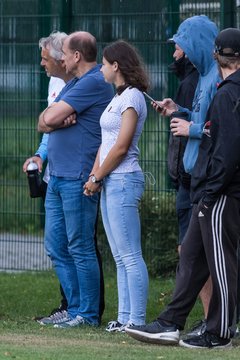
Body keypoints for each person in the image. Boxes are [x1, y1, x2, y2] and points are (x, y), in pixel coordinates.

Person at [126, 27, 240, 349]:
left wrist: (212, 191)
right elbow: (216, 132)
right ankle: (169, 323)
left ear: (217, 54)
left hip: (220, 192)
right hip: (211, 189)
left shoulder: (230, 92)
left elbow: (227, 148)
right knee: (191, 256)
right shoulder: (226, 89)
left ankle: (219, 333)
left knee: (222, 264)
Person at [37, 31, 113, 328]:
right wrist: (50, 119)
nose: (61, 59)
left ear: (77, 56)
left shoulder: (93, 82)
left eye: (65, 54)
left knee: (79, 245)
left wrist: (51, 119)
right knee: (56, 245)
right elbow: (44, 120)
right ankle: (75, 308)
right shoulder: (74, 83)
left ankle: (87, 313)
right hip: (57, 175)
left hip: (78, 177)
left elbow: (50, 120)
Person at [156, 15, 221, 336]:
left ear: (196, 43)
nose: (176, 53)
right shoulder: (206, 77)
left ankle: (213, 326)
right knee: (194, 255)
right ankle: (182, 322)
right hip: (196, 178)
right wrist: (178, 112)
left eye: (180, 45)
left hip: (210, 180)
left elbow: (221, 130)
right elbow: (204, 119)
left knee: (202, 256)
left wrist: (190, 127)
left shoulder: (217, 80)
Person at [84, 40, 149, 331]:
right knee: (120, 256)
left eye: (104, 63)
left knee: (131, 254)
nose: (101, 68)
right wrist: (94, 176)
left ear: (116, 66)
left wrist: (99, 177)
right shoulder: (117, 97)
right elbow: (106, 143)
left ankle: (137, 320)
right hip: (110, 180)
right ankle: (124, 318)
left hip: (124, 179)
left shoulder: (133, 97)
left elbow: (121, 147)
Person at [167, 40, 198, 252]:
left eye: (177, 49)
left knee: (189, 249)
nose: (174, 55)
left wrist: (179, 176)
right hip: (190, 175)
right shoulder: (193, 81)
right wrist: (176, 110)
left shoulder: (190, 83)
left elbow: (187, 132)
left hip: (190, 177)